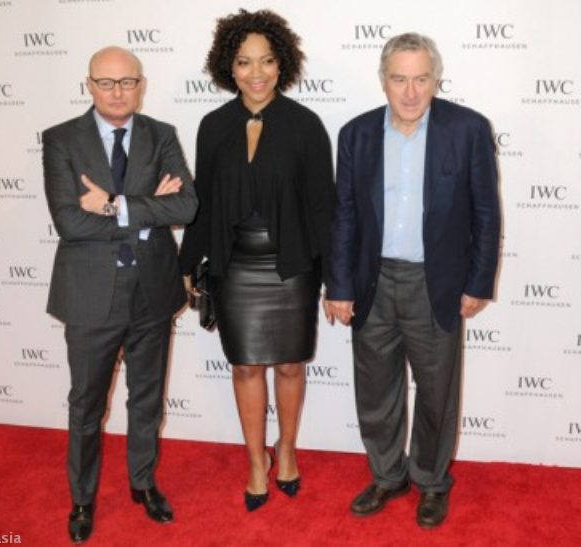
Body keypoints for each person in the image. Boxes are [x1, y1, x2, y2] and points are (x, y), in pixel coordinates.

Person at [326, 33, 500, 528]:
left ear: (435, 79)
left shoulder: (467, 129)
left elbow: (487, 212)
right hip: (373, 282)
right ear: (383, 80)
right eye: (399, 79)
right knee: (375, 389)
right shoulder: (356, 134)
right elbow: (344, 216)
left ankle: (431, 480)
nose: (410, 92)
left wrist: (478, 281)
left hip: (435, 283)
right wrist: (339, 286)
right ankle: (387, 476)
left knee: (437, 392)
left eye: (421, 79)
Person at [179, 9, 334, 512]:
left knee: (289, 365)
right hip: (235, 266)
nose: (257, 73)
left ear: (281, 63)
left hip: (292, 266)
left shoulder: (306, 125)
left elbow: (323, 207)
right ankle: (254, 461)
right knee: (246, 367)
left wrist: (336, 279)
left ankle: (286, 450)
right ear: (230, 66)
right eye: (244, 62)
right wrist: (187, 263)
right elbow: (202, 203)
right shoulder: (213, 126)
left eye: (266, 60)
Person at [43, 46, 197, 543]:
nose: (117, 92)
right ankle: (82, 498)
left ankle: (143, 483)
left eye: (127, 82)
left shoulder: (160, 134)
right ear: (89, 85)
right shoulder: (61, 139)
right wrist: (149, 212)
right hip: (90, 294)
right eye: (106, 83)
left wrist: (113, 204)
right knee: (86, 405)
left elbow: (187, 206)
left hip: (152, 291)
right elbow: (69, 221)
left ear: (141, 84)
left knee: (147, 398)